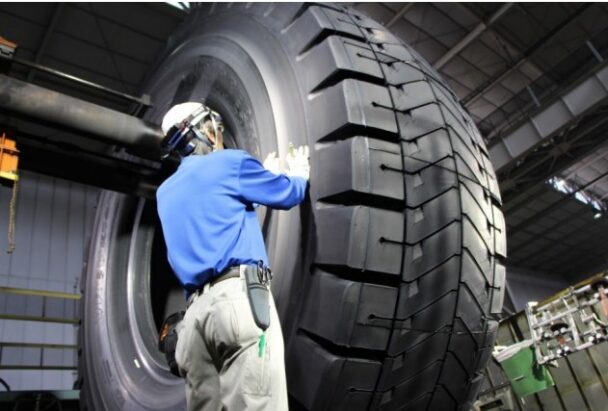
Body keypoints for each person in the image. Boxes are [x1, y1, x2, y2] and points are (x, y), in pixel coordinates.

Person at [156, 101, 309, 411]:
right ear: (202, 131)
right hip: (237, 304)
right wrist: (298, 175)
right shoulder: (229, 163)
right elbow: (288, 193)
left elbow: (213, 216)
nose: (219, 136)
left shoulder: (164, 193)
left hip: (193, 322)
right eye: (215, 129)